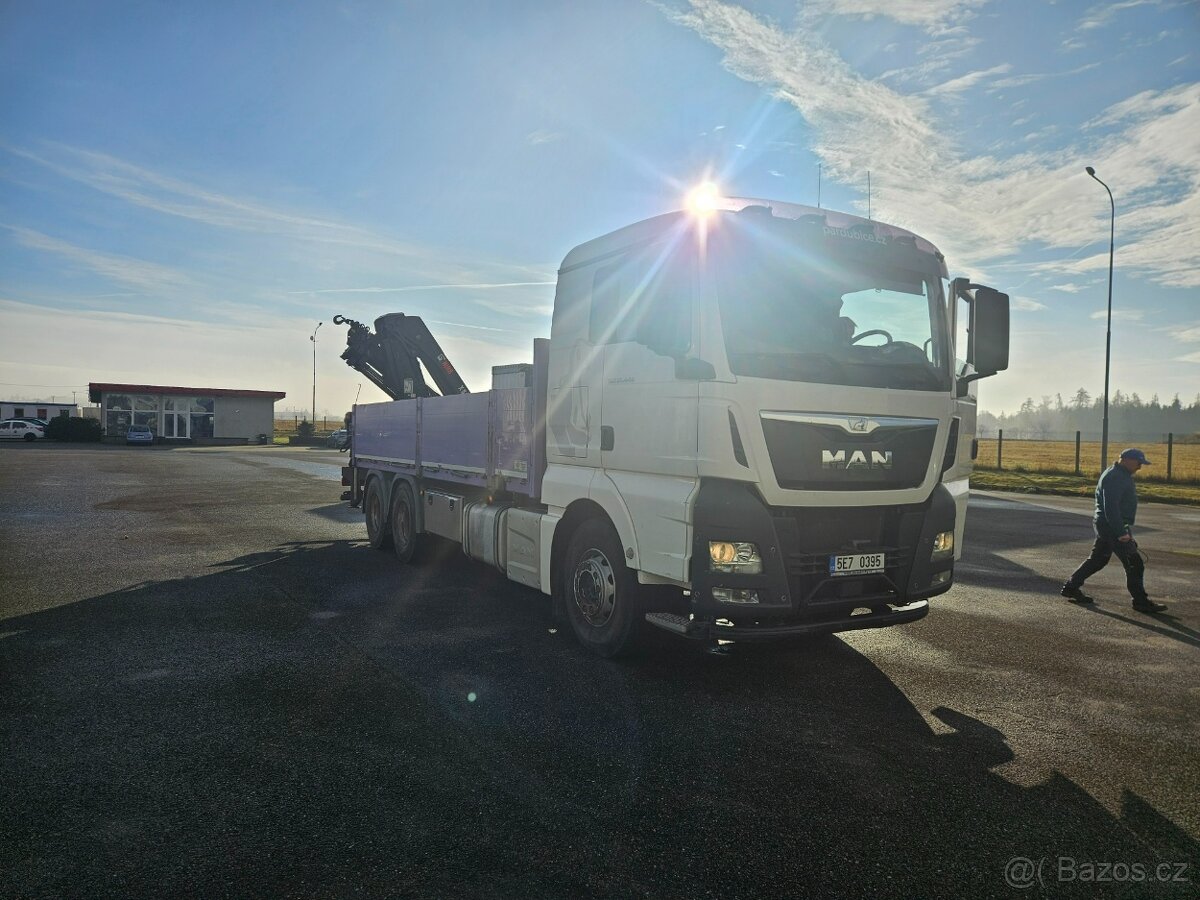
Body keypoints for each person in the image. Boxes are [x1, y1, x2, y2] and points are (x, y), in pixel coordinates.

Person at [1061, 448, 1167, 613]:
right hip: (1112, 527)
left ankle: (1071, 587)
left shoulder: (1118, 473)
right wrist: (1121, 532)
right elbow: (1111, 507)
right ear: (1126, 459)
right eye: (1139, 462)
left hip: (1109, 525)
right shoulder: (1116, 477)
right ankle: (1140, 601)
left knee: (1098, 560)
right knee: (1134, 563)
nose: (1140, 467)